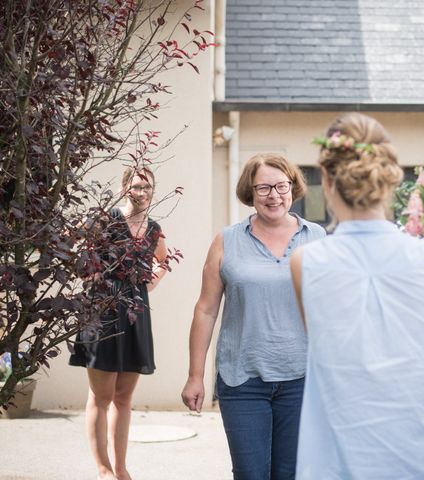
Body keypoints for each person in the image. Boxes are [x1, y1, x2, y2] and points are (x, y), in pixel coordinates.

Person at [290, 113, 424, 479]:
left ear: (326, 180)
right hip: (414, 464)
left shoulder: (305, 262)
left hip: (332, 466)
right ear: (389, 178)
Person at [181, 153, 325, 480]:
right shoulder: (227, 241)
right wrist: (195, 375)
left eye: (281, 186)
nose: (273, 195)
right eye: (263, 188)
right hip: (242, 378)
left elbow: (331, 310)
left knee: (291, 474)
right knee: (250, 474)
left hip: (301, 379)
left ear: (293, 188)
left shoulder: (316, 238)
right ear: (250, 191)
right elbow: (205, 309)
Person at [69, 167, 168, 480]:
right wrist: (97, 282)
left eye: (146, 186)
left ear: (153, 191)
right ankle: (103, 469)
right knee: (101, 396)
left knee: (124, 398)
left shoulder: (154, 229)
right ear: (125, 188)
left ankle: (121, 467)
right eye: (136, 186)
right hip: (103, 312)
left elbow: (163, 262)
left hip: (136, 315)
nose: (141, 191)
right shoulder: (105, 220)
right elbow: (77, 254)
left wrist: (146, 285)